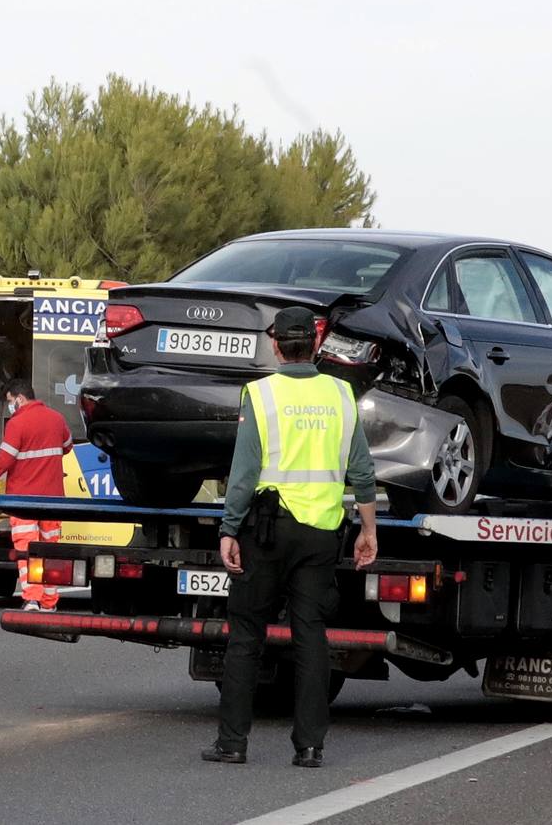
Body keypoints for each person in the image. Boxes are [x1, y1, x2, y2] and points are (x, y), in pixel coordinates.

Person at [202, 308, 378, 769]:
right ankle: (310, 746)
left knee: (246, 634)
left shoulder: (261, 394)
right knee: (311, 637)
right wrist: (368, 529)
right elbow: (362, 471)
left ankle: (232, 743)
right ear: (315, 345)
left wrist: (229, 529)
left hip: (267, 530)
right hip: (321, 531)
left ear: (276, 345)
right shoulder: (342, 394)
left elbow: (244, 473)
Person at [0, 379, 74, 611]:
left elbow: (5, 460)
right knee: (50, 551)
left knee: (27, 550)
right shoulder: (57, 418)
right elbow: (67, 446)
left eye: (10, 401)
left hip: (23, 500)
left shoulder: (17, 423)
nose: (10, 407)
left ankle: (32, 599)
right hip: (53, 499)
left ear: (19, 398)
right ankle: (49, 603)